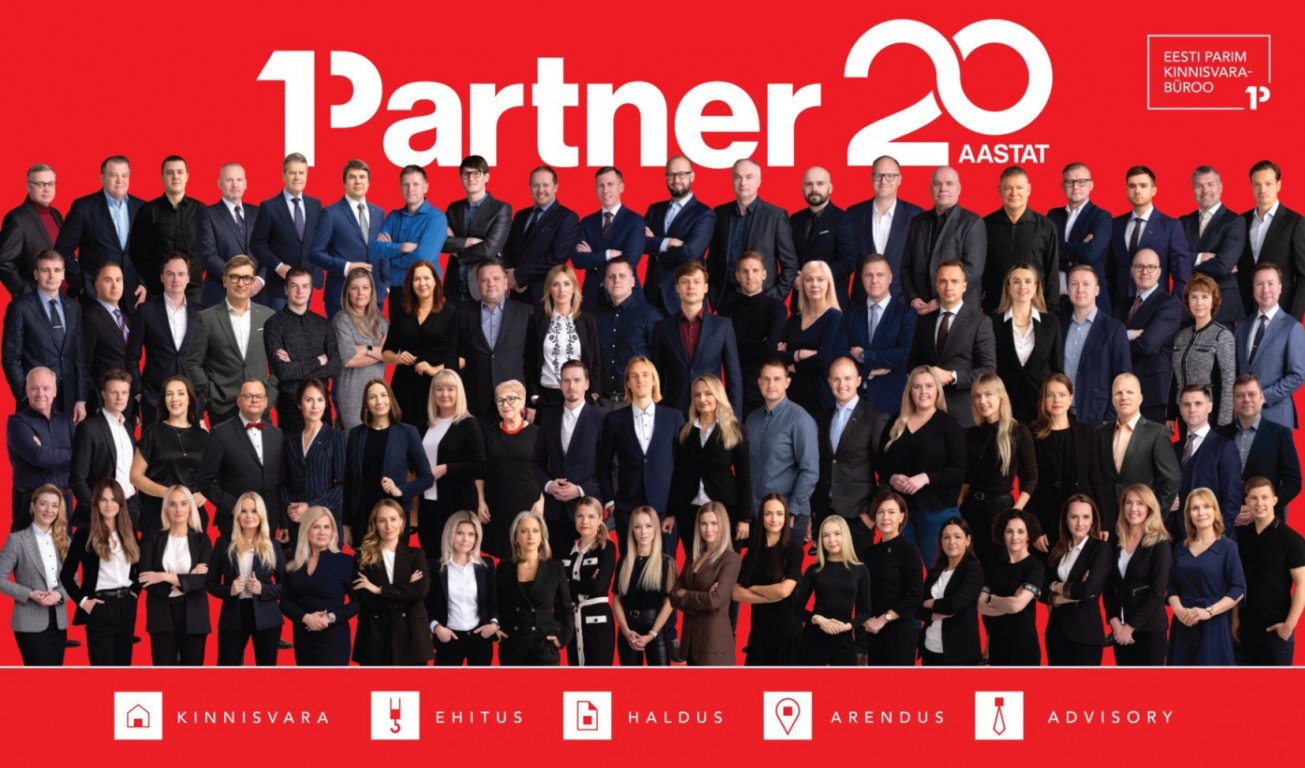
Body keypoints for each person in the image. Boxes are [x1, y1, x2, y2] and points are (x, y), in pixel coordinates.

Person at [877, 366, 966, 567]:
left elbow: (959, 471)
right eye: (917, 386)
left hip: (938, 511)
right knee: (901, 571)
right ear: (909, 391)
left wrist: (925, 478)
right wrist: (892, 478)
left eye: (929, 386)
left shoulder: (948, 424)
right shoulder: (895, 422)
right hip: (901, 512)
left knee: (940, 571)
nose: (923, 391)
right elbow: (881, 463)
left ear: (937, 390)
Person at [598, 357, 684, 544]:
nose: (640, 380)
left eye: (645, 375)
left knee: (666, 560)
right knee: (630, 562)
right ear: (628, 383)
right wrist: (610, 502)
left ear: (653, 380)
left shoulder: (674, 418)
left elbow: (683, 466)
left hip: (665, 510)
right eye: (634, 376)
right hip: (627, 509)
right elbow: (603, 466)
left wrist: (676, 506)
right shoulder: (613, 421)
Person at [959, 373, 1037, 575]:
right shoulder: (972, 433)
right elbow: (969, 475)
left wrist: (1015, 511)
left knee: (1000, 570)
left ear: (1000, 396)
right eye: (977, 396)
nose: (982, 401)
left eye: (988, 394)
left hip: (1001, 509)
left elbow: (1031, 477)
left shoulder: (1018, 432)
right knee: (972, 568)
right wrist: (958, 503)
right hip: (971, 508)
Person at [185, 254, 277, 425]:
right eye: (234, 277)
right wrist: (212, 394)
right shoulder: (207, 318)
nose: (241, 283)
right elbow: (193, 363)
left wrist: (269, 398)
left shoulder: (268, 316)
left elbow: (277, 364)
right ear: (224, 280)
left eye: (246, 278)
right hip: (223, 408)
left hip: (259, 408)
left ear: (252, 282)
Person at [668, 374, 752, 557]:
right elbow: (679, 474)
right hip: (690, 511)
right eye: (697, 395)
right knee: (695, 564)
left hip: (725, 510)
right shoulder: (685, 431)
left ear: (718, 396)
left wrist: (744, 518)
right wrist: (670, 512)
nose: (702, 399)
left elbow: (744, 476)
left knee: (724, 563)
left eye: (708, 393)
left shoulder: (734, 430)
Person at [906, 260, 996, 426]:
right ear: (936, 285)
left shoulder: (980, 322)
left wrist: (952, 376)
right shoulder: (924, 321)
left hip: (963, 414)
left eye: (954, 281)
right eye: (943, 281)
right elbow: (913, 364)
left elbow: (988, 370)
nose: (948, 287)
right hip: (926, 412)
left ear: (964, 286)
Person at [342, 379, 433, 546]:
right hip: (362, 517)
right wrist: (346, 524)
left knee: (394, 563)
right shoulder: (356, 434)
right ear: (366, 404)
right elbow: (349, 480)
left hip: (394, 517)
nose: (379, 401)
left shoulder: (407, 432)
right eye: (372, 397)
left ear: (391, 399)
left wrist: (401, 490)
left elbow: (427, 478)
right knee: (364, 563)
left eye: (383, 395)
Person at [60, 479, 140, 666]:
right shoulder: (84, 534)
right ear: (96, 503)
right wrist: (83, 602)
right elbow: (66, 575)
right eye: (103, 500)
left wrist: (135, 591)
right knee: (102, 670)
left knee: (123, 667)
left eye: (113, 499)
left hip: (127, 605)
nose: (109, 505)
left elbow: (140, 567)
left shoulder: (129, 532)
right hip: (100, 606)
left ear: (121, 503)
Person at [2, 249, 87, 419]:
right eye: (45, 270)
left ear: (63, 274)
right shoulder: (20, 307)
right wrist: (26, 396)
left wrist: (80, 398)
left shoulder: (74, 307)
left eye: (56, 270)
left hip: (69, 399)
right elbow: (10, 358)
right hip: (36, 400)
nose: (51, 276)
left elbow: (78, 356)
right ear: (36, 274)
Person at [532, 360, 604, 558]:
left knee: (588, 568)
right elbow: (537, 461)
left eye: (577, 380)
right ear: (560, 384)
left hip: (588, 509)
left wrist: (580, 489)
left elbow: (610, 468)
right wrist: (549, 485)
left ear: (587, 384)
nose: (571, 386)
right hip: (555, 512)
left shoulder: (601, 419)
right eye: (566, 380)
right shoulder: (548, 417)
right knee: (556, 567)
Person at [654, 260, 745, 416]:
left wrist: (734, 417)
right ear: (677, 288)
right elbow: (657, 376)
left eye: (696, 282)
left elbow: (733, 376)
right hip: (674, 411)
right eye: (685, 282)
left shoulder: (722, 326)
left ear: (705, 288)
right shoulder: (662, 328)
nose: (691, 286)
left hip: (712, 409)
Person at [1027, 374, 1106, 554]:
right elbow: (1029, 484)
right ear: (1043, 399)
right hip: (1047, 520)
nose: (1057, 400)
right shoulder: (1032, 434)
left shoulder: (1087, 432)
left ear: (1071, 398)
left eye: (1062, 394)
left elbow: (1096, 479)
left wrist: (1103, 522)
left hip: (1082, 520)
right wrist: (1035, 527)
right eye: (1050, 395)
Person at [744, 359, 820, 546]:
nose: (771, 385)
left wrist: (792, 511)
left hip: (786, 515)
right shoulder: (751, 419)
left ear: (787, 382)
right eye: (766, 379)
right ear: (759, 382)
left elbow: (810, 471)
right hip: (756, 514)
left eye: (777, 379)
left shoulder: (801, 420)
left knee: (784, 566)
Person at [198, 378, 284, 539]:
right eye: (249, 396)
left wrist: (283, 522)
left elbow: (281, 481)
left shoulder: (277, 434)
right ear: (239, 401)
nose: (254, 400)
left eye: (259, 396)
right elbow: (204, 480)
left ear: (266, 402)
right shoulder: (220, 434)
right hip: (234, 522)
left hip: (269, 522)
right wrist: (234, 506)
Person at [206, 492, 286, 666]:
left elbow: (287, 586)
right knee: (226, 669)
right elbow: (210, 583)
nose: (249, 516)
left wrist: (263, 589)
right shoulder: (223, 544)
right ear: (237, 515)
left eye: (254, 511)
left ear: (261, 514)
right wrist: (229, 590)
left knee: (266, 671)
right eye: (243, 511)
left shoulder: (273, 545)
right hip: (233, 617)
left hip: (267, 618)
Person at [1168, 488, 1246, 665]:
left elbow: (1238, 588)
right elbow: (1172, 586)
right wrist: (1179, 611)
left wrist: (1208, 612)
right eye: (1195, 508)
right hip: (1184, 623)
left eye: (1206, 506)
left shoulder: (1228, 547)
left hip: (1214, 623)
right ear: (1189, 514)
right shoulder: (1180, 548)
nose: (1201, 512)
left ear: (1215, 511)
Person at [707, 158, 798, 308]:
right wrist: (714, 294)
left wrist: (772, 299)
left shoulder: (775, 216)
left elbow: (790, 264)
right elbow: (713, 259)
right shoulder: (720, 213)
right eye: (738, 177)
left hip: (762, 300)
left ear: (759, 181)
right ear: (732, 181)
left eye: (749, 177)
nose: (743, 183)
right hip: (726, 300)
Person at [53, 155, 144, 305]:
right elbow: (62, 251)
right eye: (113, 175)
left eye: (124, 175)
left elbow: (148, 251)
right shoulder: (83, 208)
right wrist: (83, 285)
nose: (120, 180)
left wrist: (145, 283)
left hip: (134, 298)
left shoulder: (142, 208)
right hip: (95, 298)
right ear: (102, 178)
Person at [812, 357, 888, 538]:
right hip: (824, 514)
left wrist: (872, 513)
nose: (841, 384)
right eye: (836, 379)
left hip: (858, 517)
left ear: (858, 380)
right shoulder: (821, 418)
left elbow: (887, 471)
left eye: (847, 378)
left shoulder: (875, 418)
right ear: (829, 381)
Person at [352, 498, 433, 666]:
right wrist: (407, 588)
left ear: (402, 521)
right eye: (382, 520)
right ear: (375, 524)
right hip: (375, 636)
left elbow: (421, 591)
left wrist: (379, 590)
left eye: (393, 519)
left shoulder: (416, 555)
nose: (388, 526)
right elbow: (365, 599)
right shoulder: (362, 556)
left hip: (411, 636)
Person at [451, 259, 533, 423]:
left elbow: (532, 359)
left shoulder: (525, 312)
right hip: (474, 399)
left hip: (515, 400)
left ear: (505, 282)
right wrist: (454, 395)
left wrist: (530, 399)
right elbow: (451, 356)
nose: (490, 284)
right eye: (484, 280)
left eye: (496, 278)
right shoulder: (463, 313)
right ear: (477, 284)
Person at [1098, 373, 1181, 534]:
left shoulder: (1157, 433)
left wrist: (1154, 518)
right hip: (1109, 525)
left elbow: (1171, 480)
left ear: (1140, 398)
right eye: (1119, 393)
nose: (1124, 397)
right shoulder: (1100, 433)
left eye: (1130, 392)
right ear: (1112, 399)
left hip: (1143, 525)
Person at [139, 485, 212, 666]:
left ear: (190, 507)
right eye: (172, 504)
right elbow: (144, 578)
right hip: (161, 613)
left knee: (193, 674)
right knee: (163, 673)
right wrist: (186, 578)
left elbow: (202, 580)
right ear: (166, 509)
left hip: (194, 615)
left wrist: (163, 576)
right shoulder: (152, 538)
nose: (178, 509)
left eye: (183, 503)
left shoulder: (202, 540)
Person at [1235, 477, 1305, 665]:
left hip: (1276, 631)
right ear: (1247, 501)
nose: (1259, 503)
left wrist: (1289, 625)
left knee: (1276, 684)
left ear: (1274, 500)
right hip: (1245, 630)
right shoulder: (1242, 539)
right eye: (1254, 498)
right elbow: (1237, 583)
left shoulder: (1291, 540)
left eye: (1264, 497)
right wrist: (1235, 619)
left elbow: (1302, 585)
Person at [419, 370, 486, 561]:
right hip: (428, 501)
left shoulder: (468, 423)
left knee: (455, 557)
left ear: (459, 392)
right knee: (431, 555)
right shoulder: (425, 424)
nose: (445, 394)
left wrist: (446, 468)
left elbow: (480, 465)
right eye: (439, 389)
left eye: (450, 389)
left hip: (457, 502)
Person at [264, 267, 341, 434]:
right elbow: (283, 372)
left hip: (321, 403)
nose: (300, 291)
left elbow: (335, 367)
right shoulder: (273, 325)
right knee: (292, 450)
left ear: (311, 289)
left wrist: (295, 364)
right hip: (290, 405)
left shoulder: (323, 323)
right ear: (286, 289)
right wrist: (319, 360)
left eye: (305, 286)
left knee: (324, 449)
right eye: (294, 286)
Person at [838, 155, 924, 305]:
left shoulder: (916, 215)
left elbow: (920, 263)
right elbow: (846, 259)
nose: (884, 181)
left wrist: (915, 297)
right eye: (878, 175)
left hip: (902, 303)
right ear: (872, 179)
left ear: (899, 180)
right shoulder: (853, 214)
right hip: (861, 304)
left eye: (890, 176)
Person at [0, 485, 71, 665]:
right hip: (29, 622)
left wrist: (59, 594)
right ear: (33, 506)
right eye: (43, 504)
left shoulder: (65, 541)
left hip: (59, 622)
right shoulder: (17, 540)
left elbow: (73, 581)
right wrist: (29, 594)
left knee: (55, 677)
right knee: (39, 675)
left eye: (54, 505)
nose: (49, 510)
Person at [838, 253, 916, 415]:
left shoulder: (906, 314)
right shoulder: (851, 314)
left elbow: (905, 353)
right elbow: (840, 353)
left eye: (880, 275)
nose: (874, 280)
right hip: (855, 402)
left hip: (891, 403)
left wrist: (865, 356)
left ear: (890, 278)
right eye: (868, 275)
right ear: (862, 279)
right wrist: (866, 371)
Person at [131, 375, 208, 537]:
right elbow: (135, 476)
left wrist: (204, 494)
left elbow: (214, 476)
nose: (175, 399)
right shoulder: (153, 432)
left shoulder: (203, 436)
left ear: (190, 399)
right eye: (169, 394)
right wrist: (168, 494)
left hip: (193, 515)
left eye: (180, 393)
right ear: (164, 400)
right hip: (157, 514)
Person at [307, 158, 385, 319]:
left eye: (362, 177)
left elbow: (384, 251)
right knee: (343, 337)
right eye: (352, 177)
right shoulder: (330, 213)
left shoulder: (379, 213)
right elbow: (315, 254)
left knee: (373, 337)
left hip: (374, 297)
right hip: (341, 296)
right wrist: (346, 267)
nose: (358, 181)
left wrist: (386, 286)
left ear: (369, 182)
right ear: (344, 182)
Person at [126, 253, 198, 427]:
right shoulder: (146, 311)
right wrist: (139, 393)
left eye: (181, 274)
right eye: (170, 274)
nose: (176, 279)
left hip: (190, 402)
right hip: (154, 401)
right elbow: (131, 357)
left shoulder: (201, 314)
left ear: (188, 278)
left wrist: (200, 398)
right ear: (162, 277)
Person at [1105, 484, 1173, 666]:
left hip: (1149, 630)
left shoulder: (1160, 543)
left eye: (1140, 503)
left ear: (1150, 508)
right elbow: (1108, 586)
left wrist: (1129, 628)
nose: (1133, 508)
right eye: (1128, 503)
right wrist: (1115, 624)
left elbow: (1157, 592)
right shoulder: (1116, 540)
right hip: (1120, 630)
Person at [901, 166, 987, 310]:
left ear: (959, 188)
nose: (943, 188)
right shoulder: (917, 222)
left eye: (949, 183)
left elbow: (973, 271)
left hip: (959, 311)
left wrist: (940, 301)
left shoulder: (973, 223)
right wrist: (912, 297)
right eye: (937, 184)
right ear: (931, 189)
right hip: (921, 310)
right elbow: (906, 267)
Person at [383, 260, 454, 432]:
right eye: (417, 279)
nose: (422, 283)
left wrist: (434, 370)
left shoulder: (450, 313)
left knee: (434, 438)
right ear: (410, 284)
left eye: (426, 278)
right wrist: (397, 358)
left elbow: (462, 357)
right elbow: (386, 352)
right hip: (404, 386)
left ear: (435, 281)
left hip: (438, 386)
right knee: (403, 435)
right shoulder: (401, 313)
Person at [496, 510, 574, 665]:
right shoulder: (504, 568)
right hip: (512, 647)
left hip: (544, 647)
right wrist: (495, 629)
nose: (530, 536)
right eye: (524, 531)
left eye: (535, 531)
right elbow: (496, 603)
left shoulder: (555, 568)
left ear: (542, 537)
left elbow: (566, 608)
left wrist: (563, 637)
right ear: (516, 537)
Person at [733, 494, 804, 665]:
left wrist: (754, 589)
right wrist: (769, 596)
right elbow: (735, 593)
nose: (774, 519)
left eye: (779, 514)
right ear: (761, 517)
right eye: (768, 513)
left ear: (786, 517)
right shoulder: (753, 552)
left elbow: (784, 591)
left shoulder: (794, 551)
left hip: (787, 632)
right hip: (760, 633)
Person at [281, 505, 357, 665]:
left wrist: (330, 618)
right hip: (304, 638)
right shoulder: (293, 564)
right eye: (316, 527)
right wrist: (306, 618)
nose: (322, 532)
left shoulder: (345, 562)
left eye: (327, 527)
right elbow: (285, 603)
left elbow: (358, 602)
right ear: (306, 530)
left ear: (333, 531)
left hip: (334, 639)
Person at [1219, 375, 1301, 521]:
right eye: (1240, 395)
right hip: (1225, 521)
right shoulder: (1219, 435)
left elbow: (1293, 482)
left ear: (1262, 397)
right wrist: (1223, 510)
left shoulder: (1280, 434)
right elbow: (1209, 478)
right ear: (1233, 401)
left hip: (1265, 523)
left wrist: (1261, 509)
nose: (1246, 400)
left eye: (1252, 394)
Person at [642, 155, 715, 315]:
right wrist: (668, 243)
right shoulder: (655, 210)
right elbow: (638, 242)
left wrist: (655, 247)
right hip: (651, 295)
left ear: (692, 176)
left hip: (684, 297)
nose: (676, 180)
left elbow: (690, 253)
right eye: (671, 175)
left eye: (682, 174)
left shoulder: (704, 214)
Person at [1043, 495, 1112, 666]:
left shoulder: (1101, 548)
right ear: (1066, 520)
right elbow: (1043, 589)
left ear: (1093, 520)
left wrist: (1056, 587)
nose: (1080, 523)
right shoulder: (1058, 549)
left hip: (1085, 635)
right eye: (1074, 517)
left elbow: (1088, 590)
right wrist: (1060, 595)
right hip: (1056, 633)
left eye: (1086, 517)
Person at [670, 501, 741, 666]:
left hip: (714, 644)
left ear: (723, 525)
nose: (708, 529)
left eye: (714, 523)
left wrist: (686, 595)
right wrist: (702, 599)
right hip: (690, 641)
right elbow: (673, 596)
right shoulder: (693, 556)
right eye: (704, 523)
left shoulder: (731, 559)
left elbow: (715, 600)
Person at [1119, 249, 1185, 426]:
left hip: (1153, 393)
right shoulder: (1122, 305)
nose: (1145, 271)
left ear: (1159, 272)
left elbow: (1146, 345)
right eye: (1139, 266)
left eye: (1151, 267)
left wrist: (1117, 343)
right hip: (1123, 392)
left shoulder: (1169, 304)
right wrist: (1128, 335)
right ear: (1132, 270)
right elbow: (1108, 340)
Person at [793, 516, 871, 666]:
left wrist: (847, 626)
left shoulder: (860, 570)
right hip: (814, 638)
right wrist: (818, 620)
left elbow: (865, 612)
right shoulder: (814, 569)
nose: (831, 540)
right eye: (826, 535)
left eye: (836, 533)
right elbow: (797, 608)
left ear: (845, 535)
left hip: (844, 637)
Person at [1235, 262, 1305, 428]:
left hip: (1276, 416)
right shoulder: (1242, 325)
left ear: (1280, 288)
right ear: (1253, 289)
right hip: (1243, 417)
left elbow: (1298, 375)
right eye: (1259, 284)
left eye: (1270, 283)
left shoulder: (1292, 327)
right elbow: (1237, 368)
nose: (1265, 290)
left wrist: (1263, 397)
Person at [249, 152, 322, 311]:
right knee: (280, 326)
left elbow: (319, 240)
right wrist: (278, 266)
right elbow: (257, 244)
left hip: (306, 285)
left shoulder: (315, 205)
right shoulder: (269, 207)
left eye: (301, 172)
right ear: (283, 175)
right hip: (279, 286)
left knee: (303, 325)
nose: (297, 177)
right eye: (292, 172)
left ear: (307, 175)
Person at [981, 166, 1059, 313]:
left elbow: (1052, 274)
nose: (1014, 193)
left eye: (1019, 187)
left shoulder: (1046, 226)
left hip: (1034, 309)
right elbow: (979, 271)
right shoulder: (984, 225)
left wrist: (1051, 311)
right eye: (1008, 188)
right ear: (999, 190)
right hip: (994, 308)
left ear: (1028, 189)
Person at [1108, 165, 1190, 305]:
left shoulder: (1171, 226)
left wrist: (1173, 309)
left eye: (1143, 185)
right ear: (1126, 190)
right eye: (1132, 186)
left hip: (1156, 307)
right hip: (1118, 308)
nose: (1137, 191)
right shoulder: (1114, 225)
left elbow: (1182, 275)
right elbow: (1109, 271)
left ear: (1154, 190)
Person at [717, 252, 786, 417]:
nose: (750, 276)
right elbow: (722, 349)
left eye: (755, 270)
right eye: (745, 271)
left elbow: (769, 349)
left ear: (764, 274)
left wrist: (733, 341)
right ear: (737, 276)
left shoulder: (776, 308)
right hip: (733, 387)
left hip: (765, 390)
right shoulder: (727, 309)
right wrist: (760, 344)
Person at [992, 263, 1063, 423]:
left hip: (1041, 407)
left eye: (1028, 281)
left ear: (1036, 286)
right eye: (1016, 281)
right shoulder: (992, 322)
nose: (1022, 286)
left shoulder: (1051, 322)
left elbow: (1056, 368)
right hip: (1005, 406)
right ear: (1008, 286)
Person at [1062, 264, 1132, 425]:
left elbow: (1123, 379)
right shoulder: (1060, 325)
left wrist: (1109, 418)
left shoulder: (1114, 329)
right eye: (1074, 284)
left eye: (1086, 284)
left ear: (1097, 290)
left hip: (1098, 418)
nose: (1080, 289)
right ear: (1068, 290)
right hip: (1062, 416)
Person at [502, 165, 581, 308]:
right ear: (530, 187)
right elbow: (508, 248)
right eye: (535, 185)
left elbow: (557, 258)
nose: (540, 190)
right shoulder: (520, 215)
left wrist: (519, 276)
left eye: (545, 185)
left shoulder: (567, 217)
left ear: (555, 187)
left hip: (544, 295)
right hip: (516, 294)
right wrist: (511, 277)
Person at [480, 380, 543, 560]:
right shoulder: (488, 433)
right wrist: (480, 501)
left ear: (522, 402)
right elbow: (480, 471)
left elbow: (548, 470)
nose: (505, 404)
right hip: (496, 506)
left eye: (511, 399)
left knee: (526, 556)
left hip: (529, 505)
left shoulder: (537, 434)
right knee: (502, 558)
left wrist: (542, 500)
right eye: (500, 400)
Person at [280, 378, 346, 549]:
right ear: (299, 404)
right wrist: (290, 507)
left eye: (320, 400)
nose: (315, 406)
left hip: (326, 521)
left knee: (327, 565)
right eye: (309, 400)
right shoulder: (290, 440)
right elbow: (283, 482)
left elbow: (342, 485)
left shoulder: (335, 438)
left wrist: (310, 507)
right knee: (299, 564)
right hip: (297, 522)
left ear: (326, 404)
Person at [7, 367, 74, 533]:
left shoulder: (66, 421)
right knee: (28, 550)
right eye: (34, 388)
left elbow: (82, 458)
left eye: (46, 388)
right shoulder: (17, 423)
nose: (40, 393)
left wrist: (46, 452)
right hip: (31, 503)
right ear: (27, 391)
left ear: (55, 391)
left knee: (65, 550)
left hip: (63, 503)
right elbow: (39, 457)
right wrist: (69, 454)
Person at [428, 511, 499, 667]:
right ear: (450, 534)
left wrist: (494, 624)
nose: (466, 539)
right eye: (459, 533)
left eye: (471, 534)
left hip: (480, 637)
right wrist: (436, 627)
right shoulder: (435, 567)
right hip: (449, 638)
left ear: (477, 537)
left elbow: (493, 601)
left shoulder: (486, 565)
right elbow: (427, 605)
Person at [70, 370, 138, 529]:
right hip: (101, 513)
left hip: (129, 510)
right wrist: (96, 511)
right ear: (103, 394)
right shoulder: (88, 428)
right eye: (114, 392)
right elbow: (77, 479)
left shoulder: (128, 427)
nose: (120, 397)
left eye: (124, 392)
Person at [1173, 384, 1243, 538]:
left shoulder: (1225, 447)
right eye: (1186, 404)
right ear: (1181, 410)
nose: (1192, 409)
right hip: (1175, 539)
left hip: (1211, 538)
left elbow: (1232, 499)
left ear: (1209, 407)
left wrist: (1216, 536)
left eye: (1198, 403)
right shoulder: (1173, 448)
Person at [861, 490, 923, 666]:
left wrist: (884, 619)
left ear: (901, 517)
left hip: (899, 633)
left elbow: (915, 596)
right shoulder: (870, 552)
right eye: (880, 512)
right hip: (873, 631)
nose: (885, 517)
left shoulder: (909, 550)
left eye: (891, 512)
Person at [130, 155, 204, 301]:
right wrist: (152, 278)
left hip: (193, 292)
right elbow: (136, 251)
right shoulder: (147, 211)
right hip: (157, 291)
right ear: (162, 177)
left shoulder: (201, 211)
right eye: (170, 172)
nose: (175, 177)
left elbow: (209, 249)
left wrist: (194, 272)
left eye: (180, 172)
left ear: (187, 176)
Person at [526, 263, 599, 410]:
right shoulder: (537, 320)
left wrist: (594, 393)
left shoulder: (587, 320)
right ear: (549, 289)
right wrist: (534, 396)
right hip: (546, 396)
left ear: (574, 288)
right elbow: (529, 359)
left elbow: (595, 358)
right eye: (555, 284)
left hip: (580, 397)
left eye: (566, 284)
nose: (561, 290)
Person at [1237, 160, 1305, 319]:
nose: (1262, 190)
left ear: (1278, 185)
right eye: (1257, 184)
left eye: (1268, 184)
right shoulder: (1241, 221)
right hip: (1246, 313)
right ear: (1251, 186)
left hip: (1281, 311)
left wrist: (1293, 319)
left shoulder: (1294, 222)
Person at [573, 166, 646, 310]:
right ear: (596, 189)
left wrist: (593, 259)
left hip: (626, 297)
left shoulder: (635, 221)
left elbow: (629, 261)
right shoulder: (587, 222)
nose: (605, 190)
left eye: (610, 184)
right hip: (592, 297)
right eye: (601, 185)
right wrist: (608, 254)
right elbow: (577, 259)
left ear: (621, 187)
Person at [978, 508, 1045, 666]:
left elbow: (1016, 606)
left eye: (1020, 531)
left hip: (1024, 648)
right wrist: (1008, 604)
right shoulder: (995, 568)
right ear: (1002, 534)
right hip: (997, 647)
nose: (1015, 537)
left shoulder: (1035, 567)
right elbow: (980, 606)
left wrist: (991, 599)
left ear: (1029, 535)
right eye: (1009, 531)